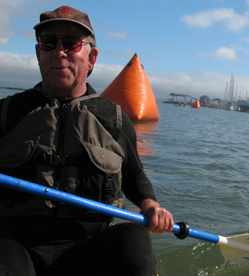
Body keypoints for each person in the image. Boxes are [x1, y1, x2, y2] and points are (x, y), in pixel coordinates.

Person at [0, 6, 174, 276]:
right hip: (14, 248)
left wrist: (151, 204)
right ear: (38, 53)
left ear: (91, 58)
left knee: (134, 236)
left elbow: (134, 178)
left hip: (86, 249)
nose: (59, 52)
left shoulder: (116, 122)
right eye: (48, 43)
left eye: (71, 44)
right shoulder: (7, 113)